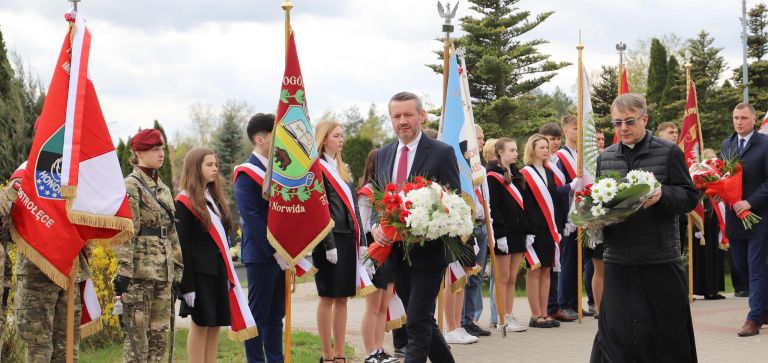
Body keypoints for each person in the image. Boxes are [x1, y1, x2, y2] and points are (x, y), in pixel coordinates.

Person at [591, 93, 698, 362]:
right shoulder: (606, 158)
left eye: (629, 121)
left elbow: (689, 197)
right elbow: (599, 201)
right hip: (617, 260)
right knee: (616, 335)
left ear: (645, 119)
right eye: (617, 123)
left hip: (658, 259)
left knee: (666, 336)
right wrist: (592, 216)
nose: (623, 128)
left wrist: (663, 195)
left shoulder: (668, 151)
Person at [372, 91, 460, 363]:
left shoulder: (441, 152)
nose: (403, 121)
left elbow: (453, 199)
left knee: (417, 321)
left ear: (421, 115)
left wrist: (429, 221)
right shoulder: (383, 154)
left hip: (429, 251)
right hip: (396, 253)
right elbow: (380, 200)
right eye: (397, 116)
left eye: (408, 114)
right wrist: (377, 226)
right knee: (419, 316)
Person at [176, 148, 253, 363]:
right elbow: (182, 247)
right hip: (200, 276)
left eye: (215, 164)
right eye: (209, 164)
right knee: (200, 325)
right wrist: (187, 285)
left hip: (218, 271)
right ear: (195, 168)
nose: (215, 168)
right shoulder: (184, 202)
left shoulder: (212, 198)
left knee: (215, 325)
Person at [115, 129, 183, 363]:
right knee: (137, 341)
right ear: (139, 153)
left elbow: (171, 232)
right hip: (139, 274)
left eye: (162, 148)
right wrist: (124, 272)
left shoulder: (162, 187)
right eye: (155, 149)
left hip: (163, 273)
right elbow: (127, 231)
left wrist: (177, 271)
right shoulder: (131, 186)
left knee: (159, 339)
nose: (161, 153)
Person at [235, 113, 287, 363]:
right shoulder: (246, 174)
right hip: (262, 255)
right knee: (257, 315)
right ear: (260, 139)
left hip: (282, 254)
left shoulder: (279, 168)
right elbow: (253, 218)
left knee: (276, 314)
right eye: (274, 135)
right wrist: (274, 250)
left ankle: (276, 359)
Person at [313, 120, 362, 363]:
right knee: (328, 297)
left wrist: (361, 238)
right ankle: (327, 354)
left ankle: (341, 354)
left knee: (342, 297)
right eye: (336, 135)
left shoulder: (344, 169)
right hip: (327, 240)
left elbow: (353, 208)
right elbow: (319, 209)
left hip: (347, 238)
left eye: (342, 135)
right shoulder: (317, 169)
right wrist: (328, 243)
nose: (341, 140)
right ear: (324, 140)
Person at [721, 102, 768, 337]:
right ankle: (764, 308)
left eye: (743, 118)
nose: (739, 122)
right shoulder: (727, 144)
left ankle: (754, 318)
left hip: (758, 217)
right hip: (734, 217)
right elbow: (724, 177)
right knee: (741, 267)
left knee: (756, 266)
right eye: (736, 117)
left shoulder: (765, 144)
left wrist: (750, 202)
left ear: (754, 119)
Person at [519, 134, 571, 328]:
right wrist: (528, 229)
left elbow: (554, 199)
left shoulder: (549, 172)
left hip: (549, 228)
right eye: (541, 147)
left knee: (547, 270)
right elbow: (524, 203)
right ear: (532, 149)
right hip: (534, 230)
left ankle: (545, 312)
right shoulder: (525, 173)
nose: (546, 150)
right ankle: (535, 315)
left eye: (547, 147)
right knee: (535, 271)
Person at [358, 149, 400, 363]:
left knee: (384, 305)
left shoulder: (389, 191)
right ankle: (369, 352)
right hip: (373, 253)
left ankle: (380, 349)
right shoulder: (367, 192)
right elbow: (364, 224)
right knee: (373, 305)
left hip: (390, 252)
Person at [486, 137, 528, 332]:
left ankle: (509, 314)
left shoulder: (516, 174)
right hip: (503, 234)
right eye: (511, 150)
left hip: (518, 233)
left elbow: (523, 207)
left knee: (512, 277)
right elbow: (494, 208)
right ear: (500, 153)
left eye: (516, 149)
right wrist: (500, 234)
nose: (515, 153)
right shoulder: (492, 176)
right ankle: (501, 317)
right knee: (501, 277)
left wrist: (528, 230)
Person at [461, 124, 493, 338]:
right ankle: (460, 320)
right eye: (478, 139)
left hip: (482, 224)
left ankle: (471, 319)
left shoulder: (480, 167)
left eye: (482, 138)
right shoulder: (461, 167)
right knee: (466, 275)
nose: (482, 142)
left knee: (477, 276)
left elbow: (486, 199)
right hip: (467, 226)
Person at [691, 149, 726, 300]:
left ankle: (714, 288)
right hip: (704, 213)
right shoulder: (698, 170)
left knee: (715, 252)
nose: (713, 161)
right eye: (710, 159)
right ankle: (706, 288)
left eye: (714, 159)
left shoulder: (719, 174)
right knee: (705, 252)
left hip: (715, 212)